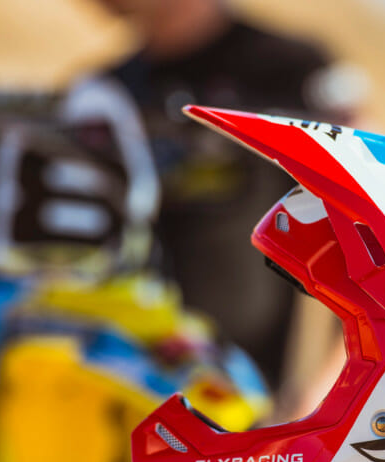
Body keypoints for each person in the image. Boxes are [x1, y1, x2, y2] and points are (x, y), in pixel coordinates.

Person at [89, 0, 363, 406]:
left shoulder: (292, 68)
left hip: (247, 401)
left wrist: (329, 396)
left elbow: (367, 226)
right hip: (109, 382)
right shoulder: (102, 93)